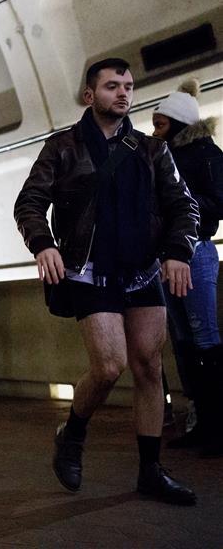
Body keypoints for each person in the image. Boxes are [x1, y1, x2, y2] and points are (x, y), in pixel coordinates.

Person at [14, 58, 199, 505]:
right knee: (109, 366)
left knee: (149, 368)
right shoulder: (62, 147)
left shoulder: (152, 150)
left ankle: (150, 471)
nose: (123, 93)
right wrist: (43, 243)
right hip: (88, 271)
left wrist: (177, 252)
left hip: (142, 272)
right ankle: (73, 433)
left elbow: (184, 208)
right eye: (112, 86)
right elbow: (30, 202)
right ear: (88, 95)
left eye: (129, 86)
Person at [152, 79, 223, 457]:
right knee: (182, 341)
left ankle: (217, 423)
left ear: (179, 121)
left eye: (160, 123)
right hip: (166, 258)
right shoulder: (163, 156)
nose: (154, 129)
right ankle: (201, 417)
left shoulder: (206, 155)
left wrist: (178, 200)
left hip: (195, 254)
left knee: (205, 339)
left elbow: (219, 203)